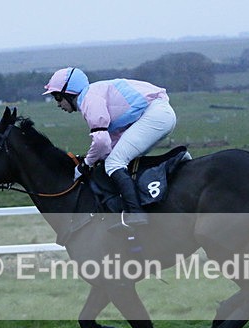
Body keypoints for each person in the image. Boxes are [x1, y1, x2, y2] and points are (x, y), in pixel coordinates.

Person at [43, 67, 177, 226]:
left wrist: (86, 164)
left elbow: (101, 142)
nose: (58, 104)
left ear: (68, 92)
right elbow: (111, 141)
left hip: (156, 115)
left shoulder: (89, 100)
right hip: (159, 114)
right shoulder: (92, 95)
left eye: (57, 97)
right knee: (119, 159)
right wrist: (92, 159)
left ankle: (136, 213)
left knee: (114, 163)